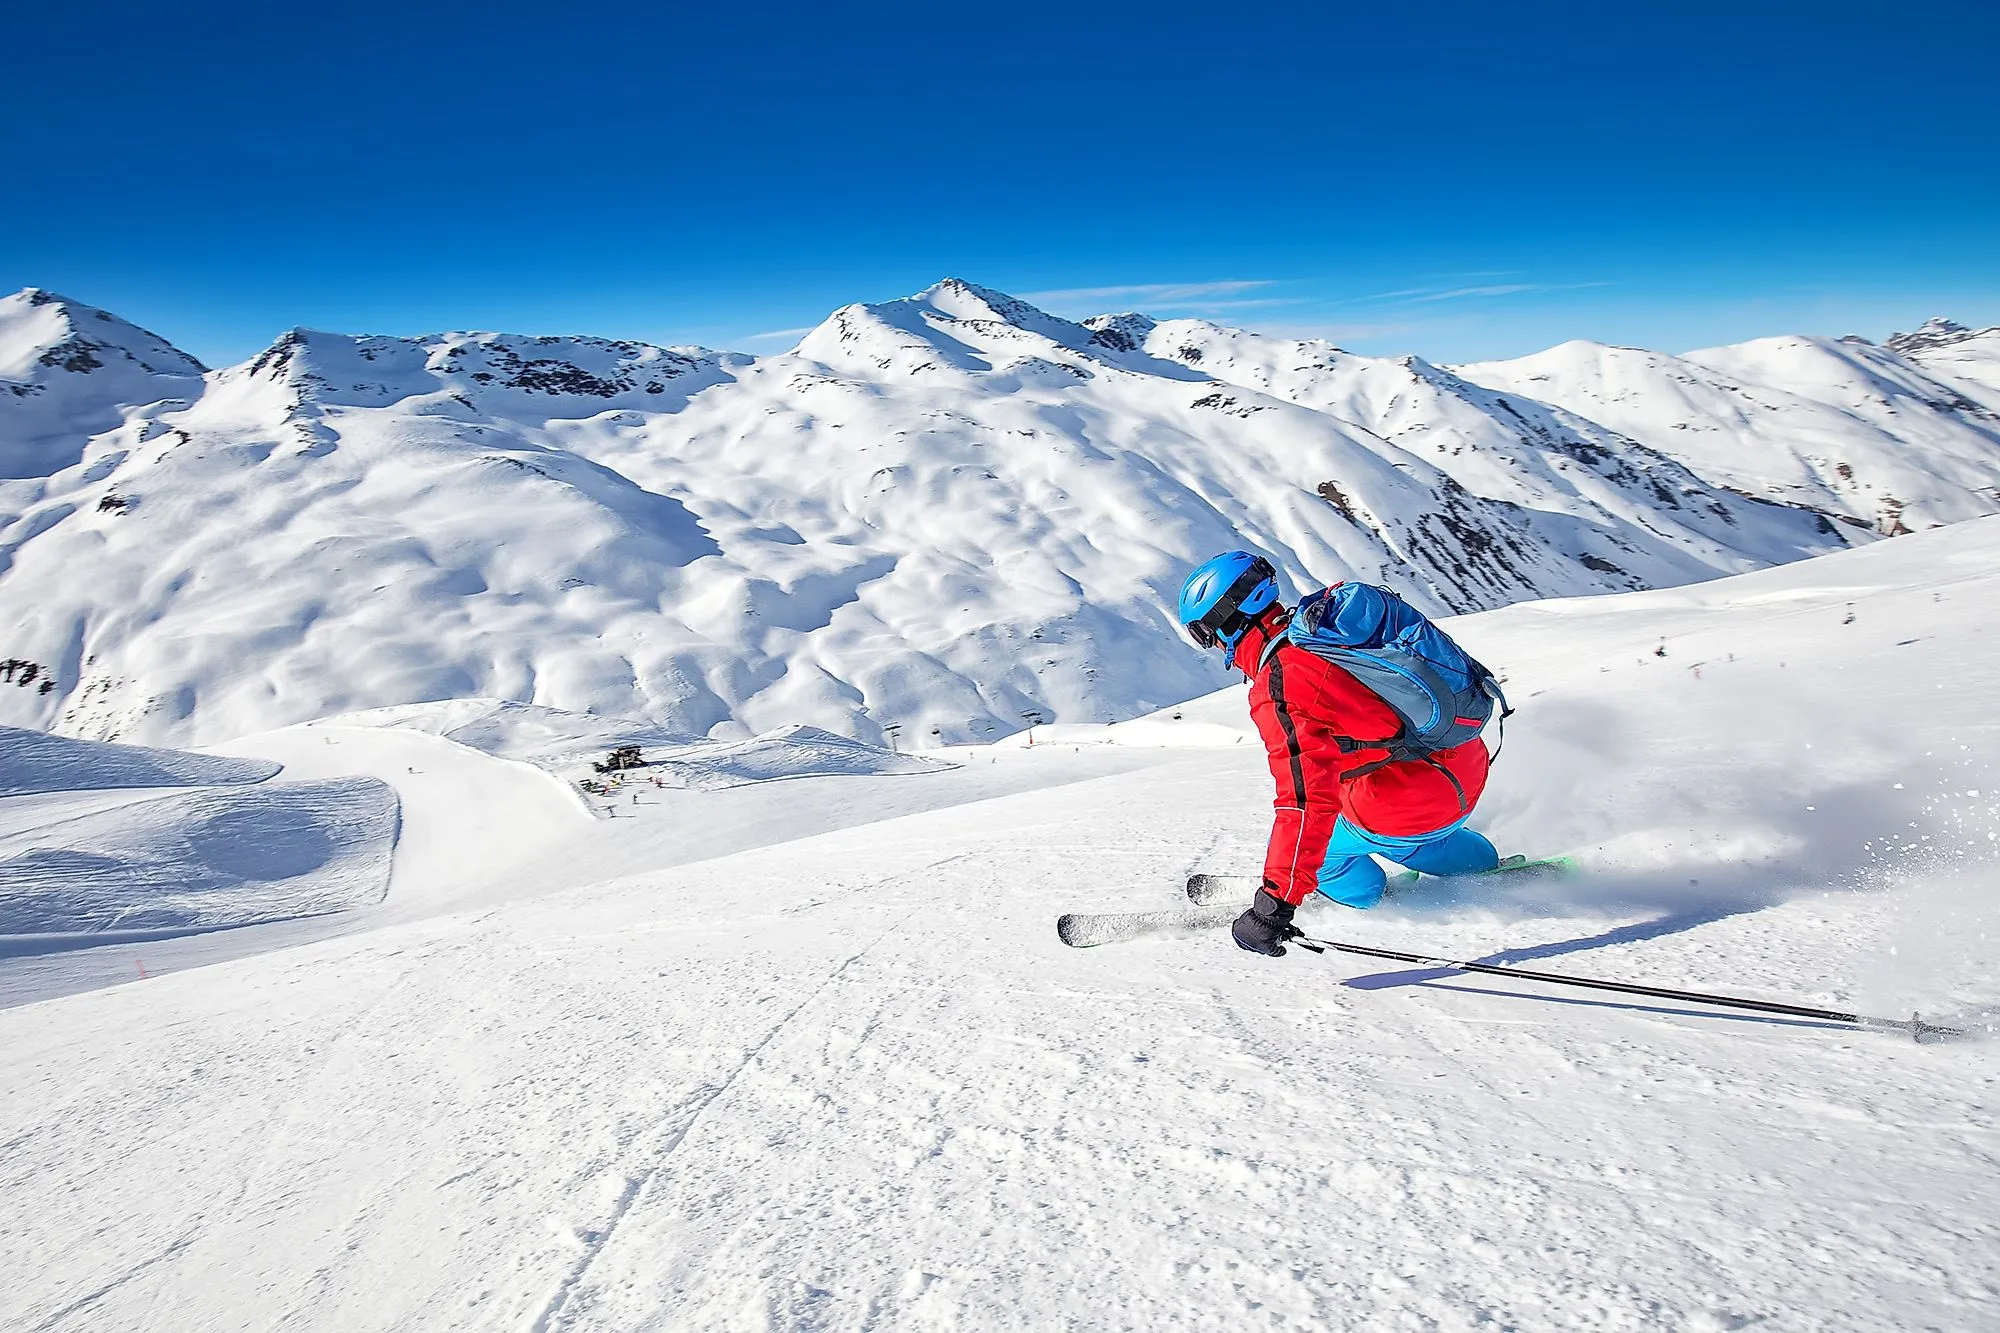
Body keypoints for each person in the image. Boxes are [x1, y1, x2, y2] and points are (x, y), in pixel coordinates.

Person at [1176, 551, 1500, 957]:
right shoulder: (1327, 631)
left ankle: (1370, 896)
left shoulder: (1279, 685)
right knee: (1414, 831)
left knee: (1333, 852)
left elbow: (1305, 803)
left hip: (1405, 804)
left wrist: (1274, 906)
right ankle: (1474, 860)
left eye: (1203, 633)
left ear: (1225, 623)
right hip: (1465, 762)